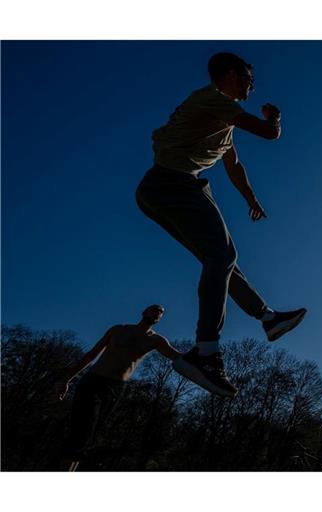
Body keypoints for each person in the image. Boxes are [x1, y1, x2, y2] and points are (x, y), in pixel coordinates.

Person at [135, 52, 306, 398]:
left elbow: (234, 166)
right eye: (247, 78)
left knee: (222, 261)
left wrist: (251, 199)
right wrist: (275, 118)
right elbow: (268, 133)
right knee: (222, 257)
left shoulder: (222, 119)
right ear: (230, 74)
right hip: (172, 182)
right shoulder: (211, 100)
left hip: (163, 189)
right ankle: (205, 353)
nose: (251, 86)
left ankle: (268, 318)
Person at [54, 305, 180, 471]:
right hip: (93, 381)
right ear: (144, 312)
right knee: (83, 429)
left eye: (161, 312)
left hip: (116, 388)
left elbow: (178, 357)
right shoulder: (118, 330)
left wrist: (204, 354)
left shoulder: (156, 340)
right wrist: (66, 380)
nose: (158, 313)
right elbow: (92, 354)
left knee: (92, 432)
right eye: (154, 309)